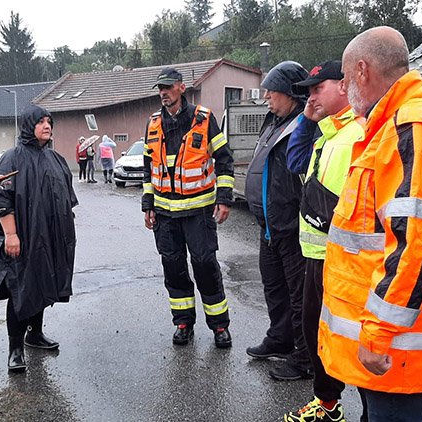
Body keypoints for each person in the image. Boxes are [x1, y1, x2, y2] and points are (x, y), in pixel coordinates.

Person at [319, 26, 422, 421]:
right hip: (387, 342)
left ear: (361, 70)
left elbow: (418, 244)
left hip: (397, 346)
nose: (342, 87)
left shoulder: (415, 127)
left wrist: (377, 333)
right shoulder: (389, 126)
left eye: (343, 76)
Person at [283, 60, 367, 422]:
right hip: (317, 255)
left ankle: (370, 412)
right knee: (318, 333)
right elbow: (295, 161)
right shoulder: (328, 134)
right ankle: (328, 405)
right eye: (308, 91)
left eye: (318, 89)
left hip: (346, 259)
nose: (311, 96)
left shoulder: (359, 134)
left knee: (351, 338)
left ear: (344, 86)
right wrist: (308, 116)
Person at [142, 67, 235, 348]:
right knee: (173, 268)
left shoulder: (204, 120)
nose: (163, 93)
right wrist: (148, 203)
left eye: (168, 87)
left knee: (205, 265)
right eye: (160, 88)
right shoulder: (154, 123)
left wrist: (224, 198)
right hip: (165, 215)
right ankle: (183, 323)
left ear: (183, 88)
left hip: (198, 212)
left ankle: (219, 326)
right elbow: (149, 167)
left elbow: (225, 160)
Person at [0, 105, 77, 372]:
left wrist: (70, 234)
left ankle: (35, 334)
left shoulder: (56, 159)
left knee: (44, 282)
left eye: (49, 121)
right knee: (21, 288)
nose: (47, 126)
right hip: (22, 236)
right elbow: (1, 199)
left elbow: (67, 201)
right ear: (28, 126)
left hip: (52, 236)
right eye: (41, 122)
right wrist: (11, 234)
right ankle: (15, 348)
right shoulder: (11, 159)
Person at [244, 61, 314, 380]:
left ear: (291, 93)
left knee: (300, 296)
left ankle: (304, 357)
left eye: (272, 91)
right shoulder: (273, 121)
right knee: (274, 288)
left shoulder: (305, 123)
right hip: (268, 226)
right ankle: (280, 339)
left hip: (292, 226)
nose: (267, 96)